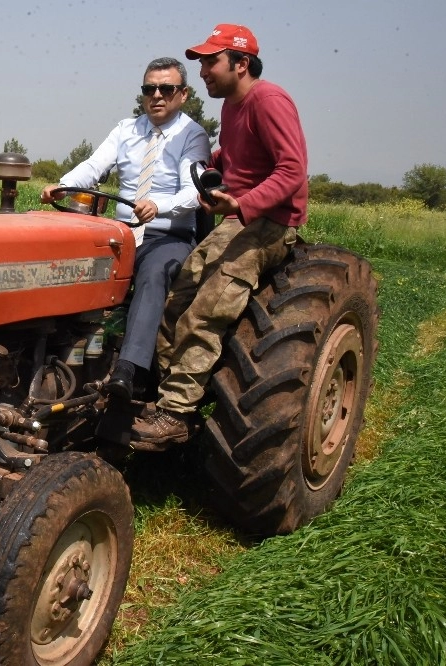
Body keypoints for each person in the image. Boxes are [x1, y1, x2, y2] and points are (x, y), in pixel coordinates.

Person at [130, 24, 309, 448]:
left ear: (241, 63)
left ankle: (175, 413)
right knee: (176, 299)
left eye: (212, 61)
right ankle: (166, 398)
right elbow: (230, 156)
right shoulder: (231, 106)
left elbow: (292, 170)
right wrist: (202, 163)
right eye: (203, 62)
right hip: (234, 220)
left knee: (207, 309)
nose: (204, 71)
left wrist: (243, 206)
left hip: (269, 222)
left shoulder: (269, 101)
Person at [40, 57, 210, 402]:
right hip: (121, 232)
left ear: (183, 94)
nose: (157, 95)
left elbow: (195, 191)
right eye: (150, 89)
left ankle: (128, 372)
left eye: (167, 88)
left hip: (168, 234)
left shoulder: (192, 135)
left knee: (153, 274)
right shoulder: (126, 130)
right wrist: (62, 186)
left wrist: (159, 206)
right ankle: (58, 357)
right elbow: (94, 166)